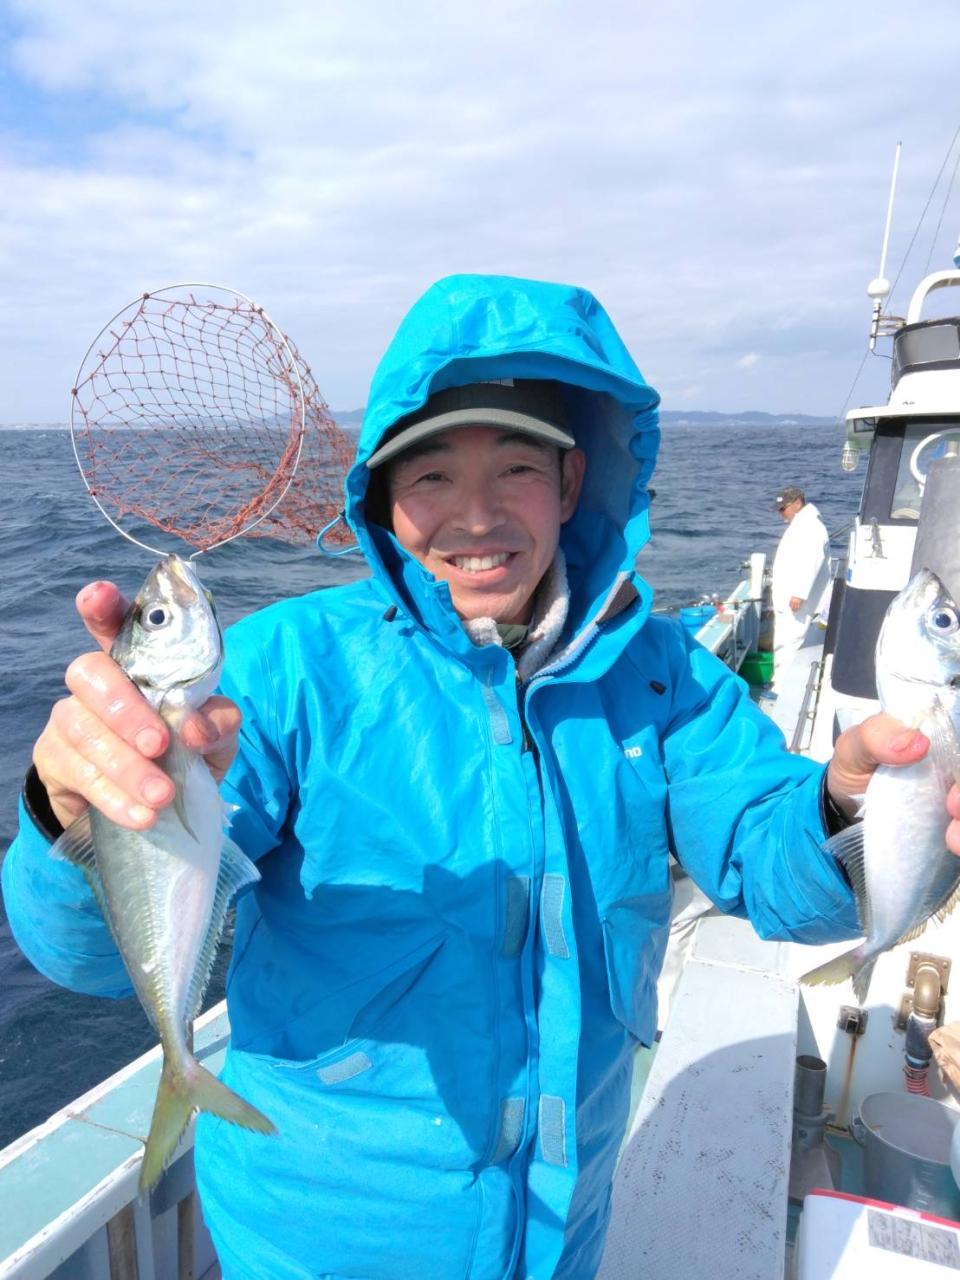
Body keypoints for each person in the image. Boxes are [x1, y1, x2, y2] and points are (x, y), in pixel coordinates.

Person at [4, 274, 959, 1280]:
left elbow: (772, 860)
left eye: (516, 468)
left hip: (562, 1233)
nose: (475, 515)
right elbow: (92, 956)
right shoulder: (281, 670)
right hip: (314, 1245)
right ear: (381, 496)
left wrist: (851, 804)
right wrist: (72, 815)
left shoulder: (663, 675)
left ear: (573, 481)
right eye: (431, 476)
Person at [770, 485, 830, 688]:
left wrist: (799, 594)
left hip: (796, 601)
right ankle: (780, 682)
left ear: (797, 503)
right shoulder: (802, 524)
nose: (781, 514)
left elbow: (811, 561)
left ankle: (781, 687)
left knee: (790, 641)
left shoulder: (811, 527)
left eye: (783, 509)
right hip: (789, 598)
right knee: (785, 640)